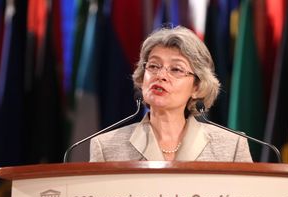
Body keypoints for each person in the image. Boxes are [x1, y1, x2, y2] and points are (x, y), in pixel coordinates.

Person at [90, 26, 252, 162]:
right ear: (142, 76)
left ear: (197, 87)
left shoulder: (232, 147)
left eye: (176, 69)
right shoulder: (106, 148)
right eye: (153, 66)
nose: (160, 75)